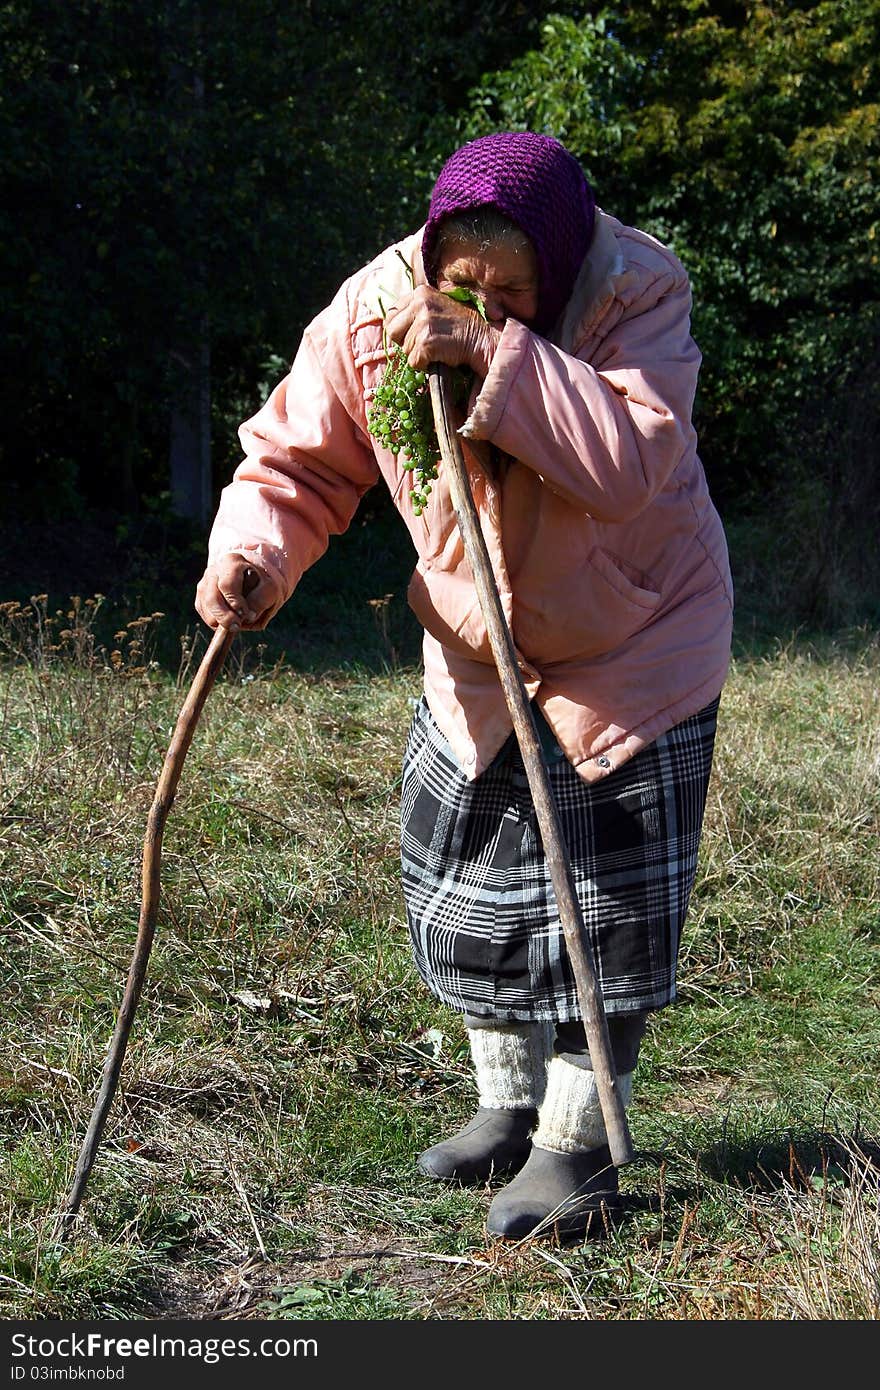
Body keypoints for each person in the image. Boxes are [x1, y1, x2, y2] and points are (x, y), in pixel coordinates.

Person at [195, 131, 733, 1242]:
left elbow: (631, 466)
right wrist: (254, 555)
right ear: (431, 256)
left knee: (608, 916)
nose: (480, 302)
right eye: (461, 284)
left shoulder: (637, 291)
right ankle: (507, 1106)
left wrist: (494, 355)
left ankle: (577, 1150)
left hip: (635, 639)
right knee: (472, 895)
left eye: (512, 289)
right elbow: (297, 463)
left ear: (562, 261)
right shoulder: (370, 311)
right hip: (477, 652)